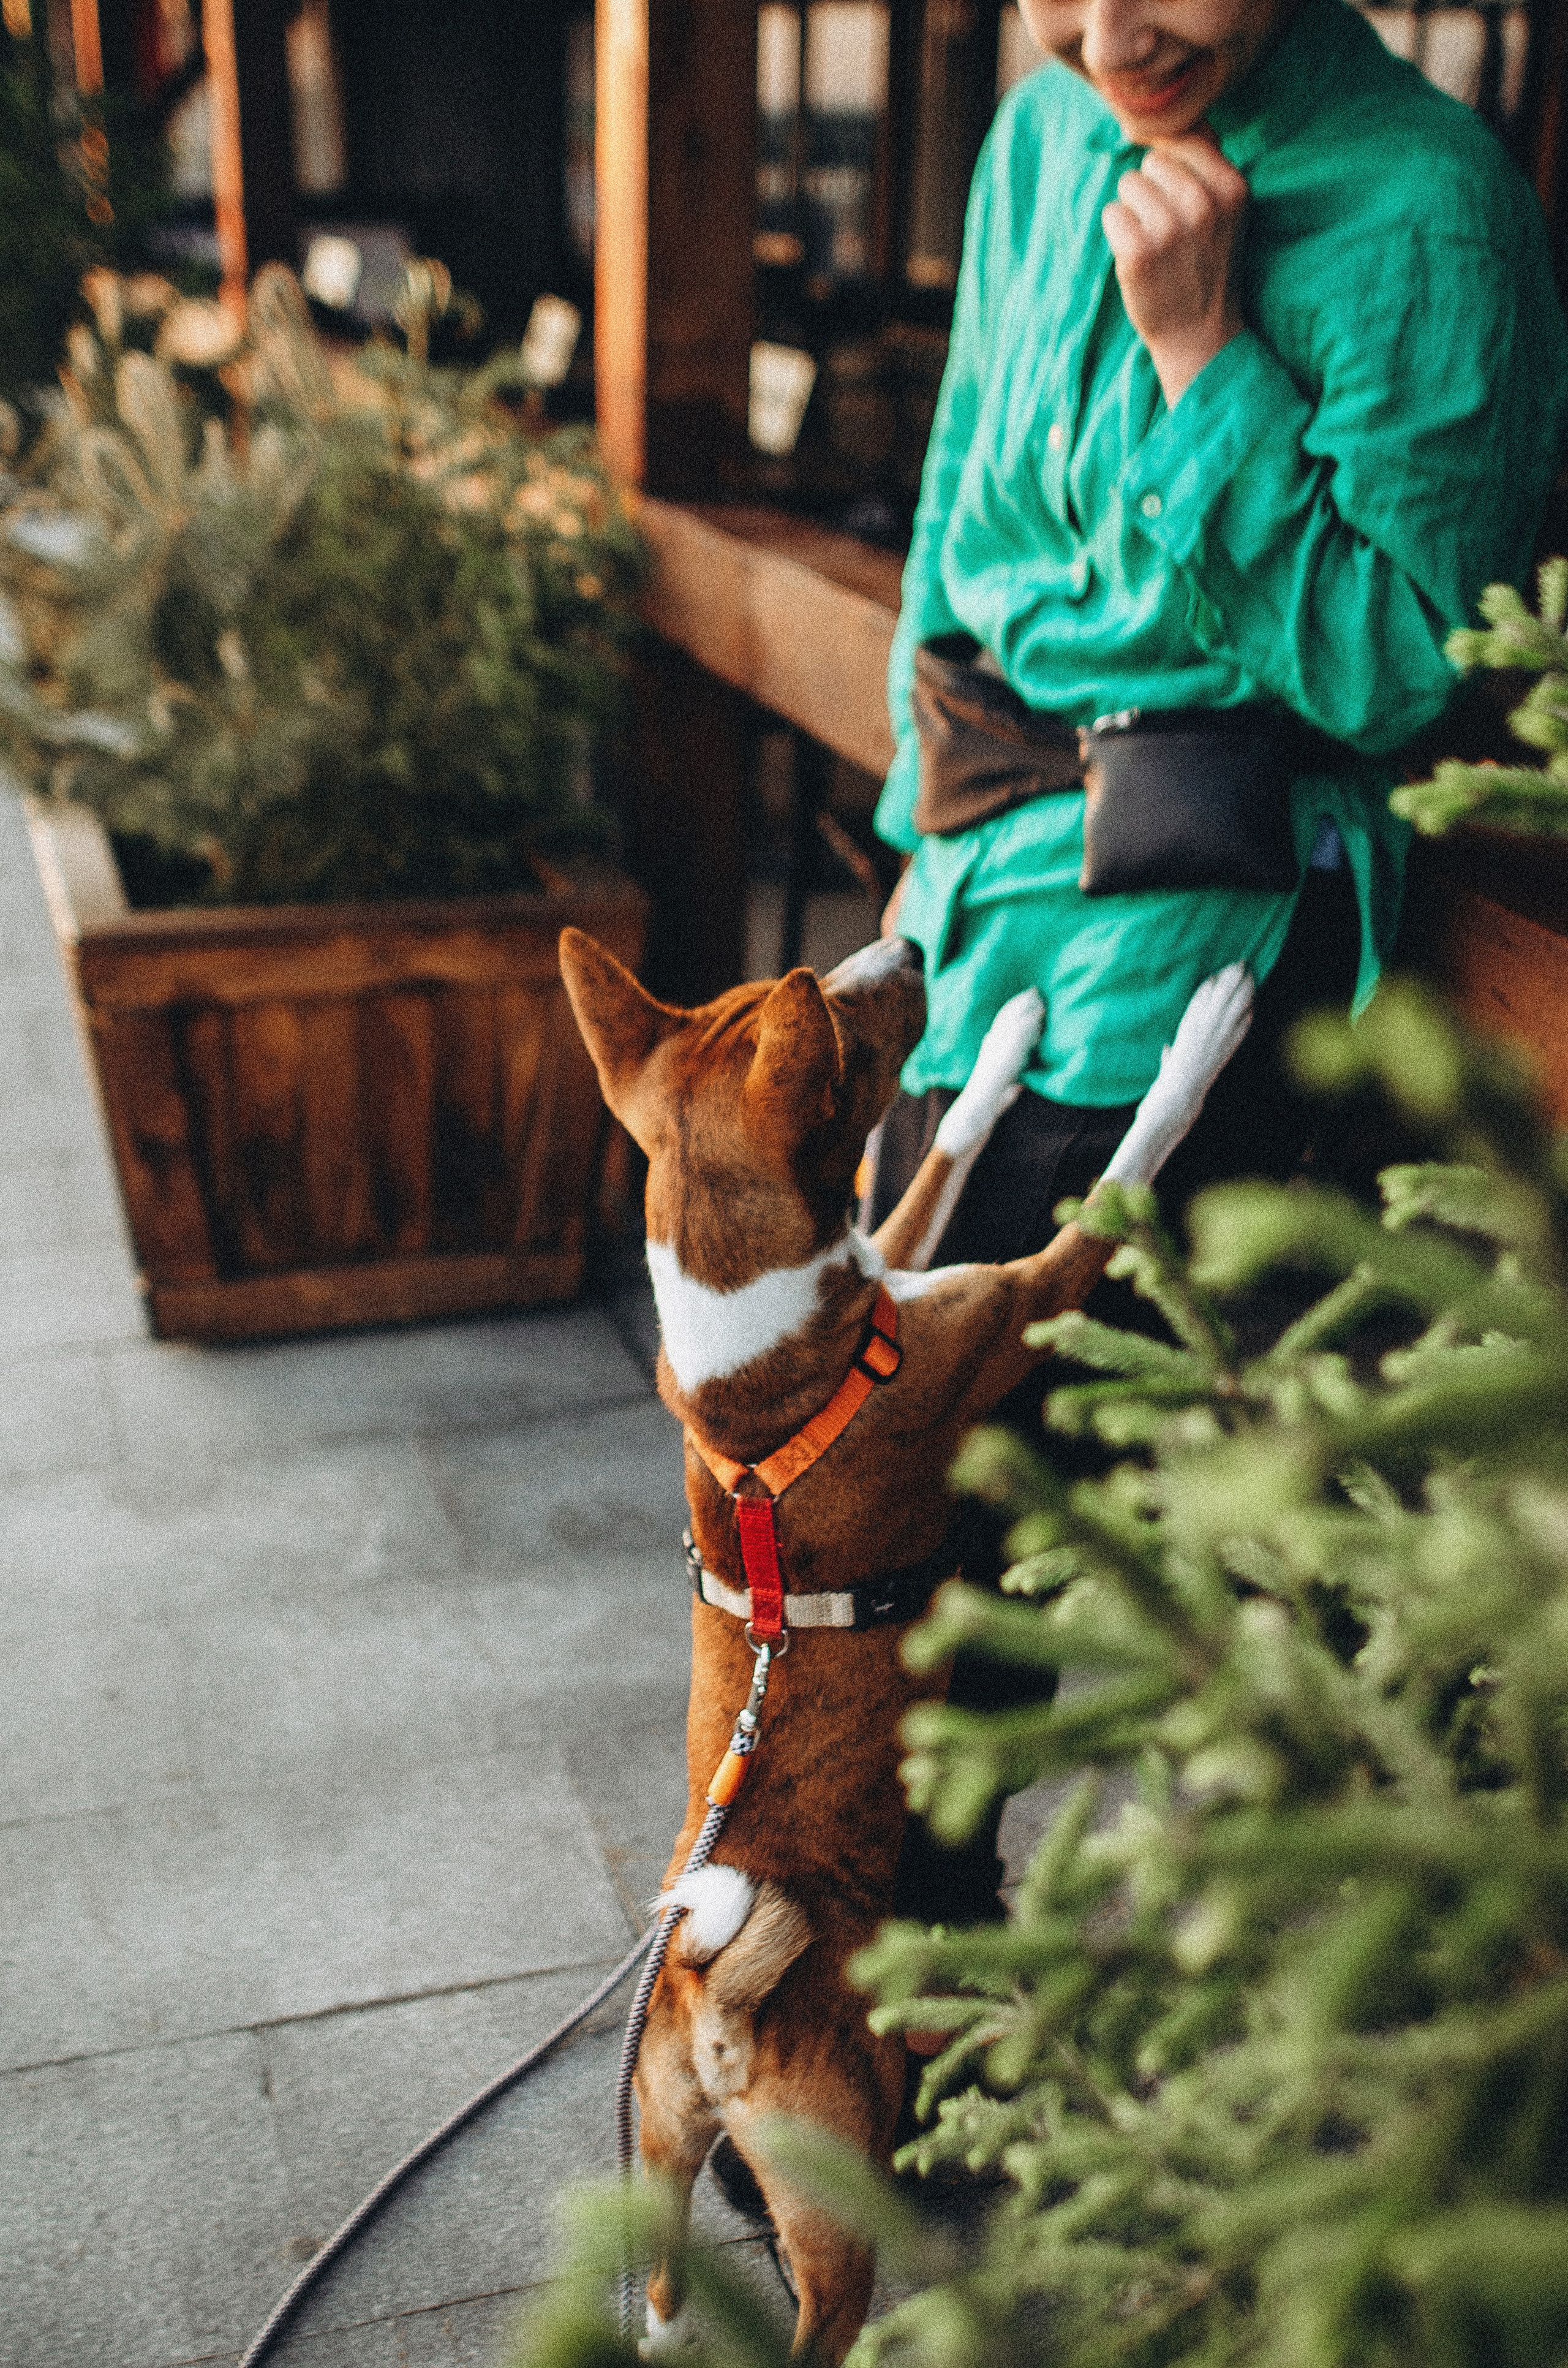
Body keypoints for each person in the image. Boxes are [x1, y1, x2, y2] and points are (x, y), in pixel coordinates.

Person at [870, 0, 1568, 1927]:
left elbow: (1418, 673)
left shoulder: (1430, 210)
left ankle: (927, 1996)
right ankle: (860, 1947)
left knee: (961, 1485)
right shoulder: (1035, 137)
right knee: (866, 1421)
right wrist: (909, 832)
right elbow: (951, 517)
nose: (1104, 30)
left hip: (1206, 910)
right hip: (981, 864)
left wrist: (1202, 356)